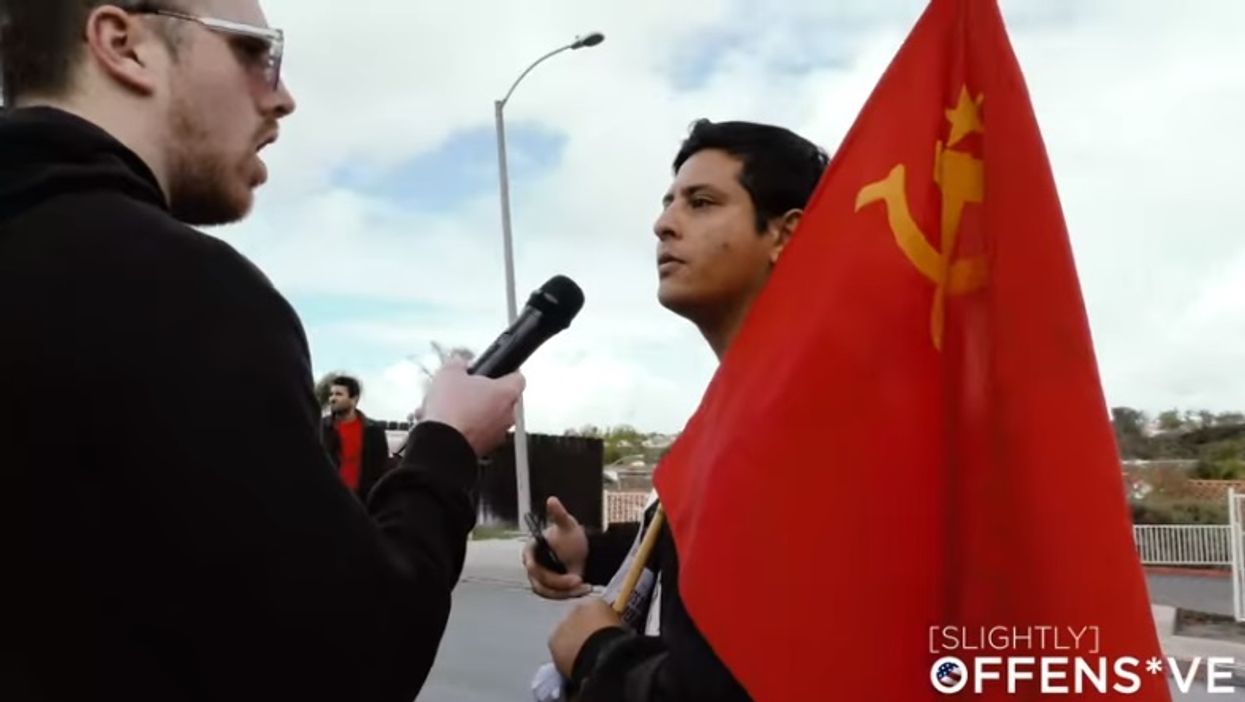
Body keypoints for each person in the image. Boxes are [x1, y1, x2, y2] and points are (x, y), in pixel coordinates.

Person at [0, 1, 524, 700]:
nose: (283, 96)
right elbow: (352, 659)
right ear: (123, 42)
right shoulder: (179, 288)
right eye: (257, 53)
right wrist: (447, 442)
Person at [524, 119, 829, 700]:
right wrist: (591, 549)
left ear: (786, 234)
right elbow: (708, 547)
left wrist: (597, 654)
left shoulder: (802, 424)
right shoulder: (740, 400)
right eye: (668, 203)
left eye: (702, 202)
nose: (663, 223)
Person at [322, 374, 393, 500]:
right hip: (327, 497)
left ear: (354, 399)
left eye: (339, 394)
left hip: (361, 501)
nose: (332, 398)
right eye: (331, 394)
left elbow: (381, 469)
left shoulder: (373, 431)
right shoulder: (321, 428)